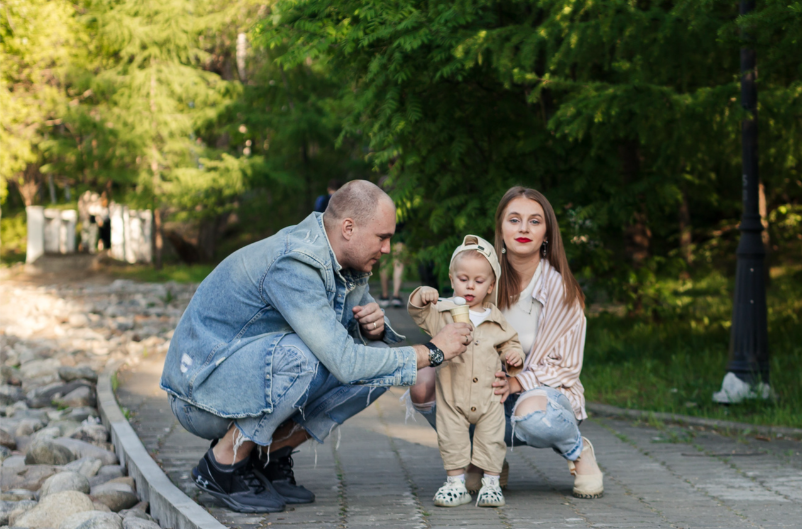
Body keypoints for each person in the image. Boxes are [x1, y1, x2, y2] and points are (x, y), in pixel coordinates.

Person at [160, 180, 473, 514]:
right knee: (303, 358)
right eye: (383, 237)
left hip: (243, 377)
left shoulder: (346, 261)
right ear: (349, 228)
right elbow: (343, 360)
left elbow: (355, 353)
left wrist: (374, 328)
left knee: (381, 369)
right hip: (199, 393)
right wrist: (431, 352)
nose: (388, 249)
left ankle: (269, 455)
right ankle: (223, 463)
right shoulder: (295, 262)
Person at [409, 186, 604, 499]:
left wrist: (517, 382)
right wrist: (421, 302)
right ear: (500, 227)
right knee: (423, 380)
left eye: (534, 221)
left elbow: (566, 368)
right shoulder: (479, 278)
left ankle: (579, 453)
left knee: (533, 414)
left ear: (547, 233)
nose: (524, 228)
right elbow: (447, 327)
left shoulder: (562, 292)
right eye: (514, 220)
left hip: (537, 396)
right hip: (482, 392)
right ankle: (484, 459)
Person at [407, 235, 524, 508]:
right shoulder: (443, 313)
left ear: (491, 285)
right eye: (463, 279)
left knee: (492, 440)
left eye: (479, 281)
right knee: (452, 439)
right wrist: (421, 296)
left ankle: (492, 485)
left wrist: (513, 357)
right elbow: (419, 314)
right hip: (452, 396)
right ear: (451, 279)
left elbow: (511, 345)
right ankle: (455, 484)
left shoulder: (496, 320)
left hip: (489, 398)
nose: (470, 285)